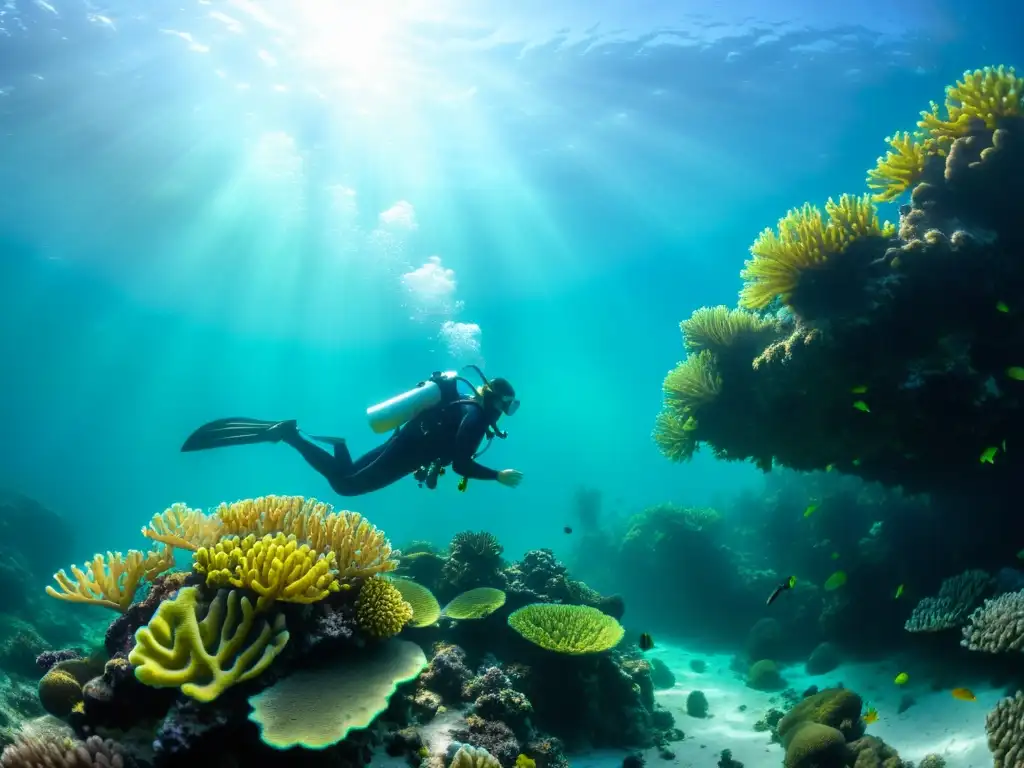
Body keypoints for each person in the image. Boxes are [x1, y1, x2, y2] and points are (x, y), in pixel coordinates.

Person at [180, 368, 523, 496]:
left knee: (345, 473)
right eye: (509, 407)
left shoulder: (462, 402)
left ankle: (332, 444)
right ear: (499, 401)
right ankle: (290, 435)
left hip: (402, 441)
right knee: (345, 486)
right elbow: (461, 465)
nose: (505, 414)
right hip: (406, 451)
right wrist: (498, 475)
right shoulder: (476, 418)